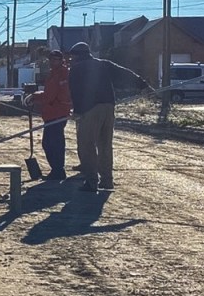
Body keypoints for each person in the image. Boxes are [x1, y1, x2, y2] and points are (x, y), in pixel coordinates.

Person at [67, 42, 150, 192]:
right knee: (105, 145)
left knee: (87, 146)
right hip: (108, 106)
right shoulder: (103, 64)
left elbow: (76, 91)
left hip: (90, 109)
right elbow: (124, 72)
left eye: (72, 57)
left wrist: (77, 111)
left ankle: (91, 181)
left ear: (77, 56)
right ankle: (107, 180)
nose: (71, 60)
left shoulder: (76, 69)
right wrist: (142, 84)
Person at [24, 50, 72, 180]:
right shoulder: (53, 74)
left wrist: (35, 97)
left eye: (55, 59)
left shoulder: (63, 74)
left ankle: (58, 170)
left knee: (53, 143)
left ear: (61, 60)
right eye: (51, 59)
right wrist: (35, 97)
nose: (52, 62)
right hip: (51, 113)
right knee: (50, 142)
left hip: (58, 113)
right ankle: (56, 170)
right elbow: (49, 93)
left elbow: (52, 95)